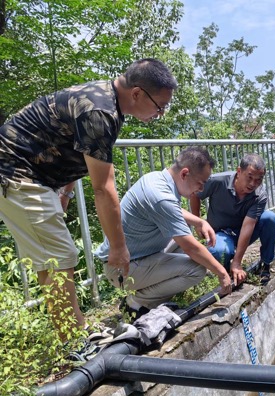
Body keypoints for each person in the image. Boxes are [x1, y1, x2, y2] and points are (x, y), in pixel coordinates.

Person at [0, 58, 177, 345]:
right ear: (137, 93)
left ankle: (69, 335)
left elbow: (76, 150)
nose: (160, 114)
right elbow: (104, 189)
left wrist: (65, 193)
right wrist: (118, 248)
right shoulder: (101, 111)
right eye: (160, 106)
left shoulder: (107, 100)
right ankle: (75, 342)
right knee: (60, 255)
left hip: (30, 175)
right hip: (17, 172)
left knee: (52, 258)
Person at [95, 147, 233, 319]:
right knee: (197, 269)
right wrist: (222, 273)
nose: (201, 189)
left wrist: (199, 221)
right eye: (200, 183)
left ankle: (150, 294)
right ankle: (136, 303)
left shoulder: (157, 178)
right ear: (184, 174)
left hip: (136, 255)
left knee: (184, 233)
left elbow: (172, 210)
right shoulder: (161, 196)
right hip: (122, 269)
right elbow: (192, 248)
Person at [190, 153, 275, 286]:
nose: (253, 184)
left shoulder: (260, 194)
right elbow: (194, 193)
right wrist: (197, 222)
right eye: (249, 177)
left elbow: (248, 225)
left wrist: (237, 262)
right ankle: (224, 272)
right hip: (220, 232)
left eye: (258, 179)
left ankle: (265, 264)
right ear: (239, 171)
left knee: (270, 218)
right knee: (218, 251)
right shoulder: (217, 181)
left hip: (244, 231)